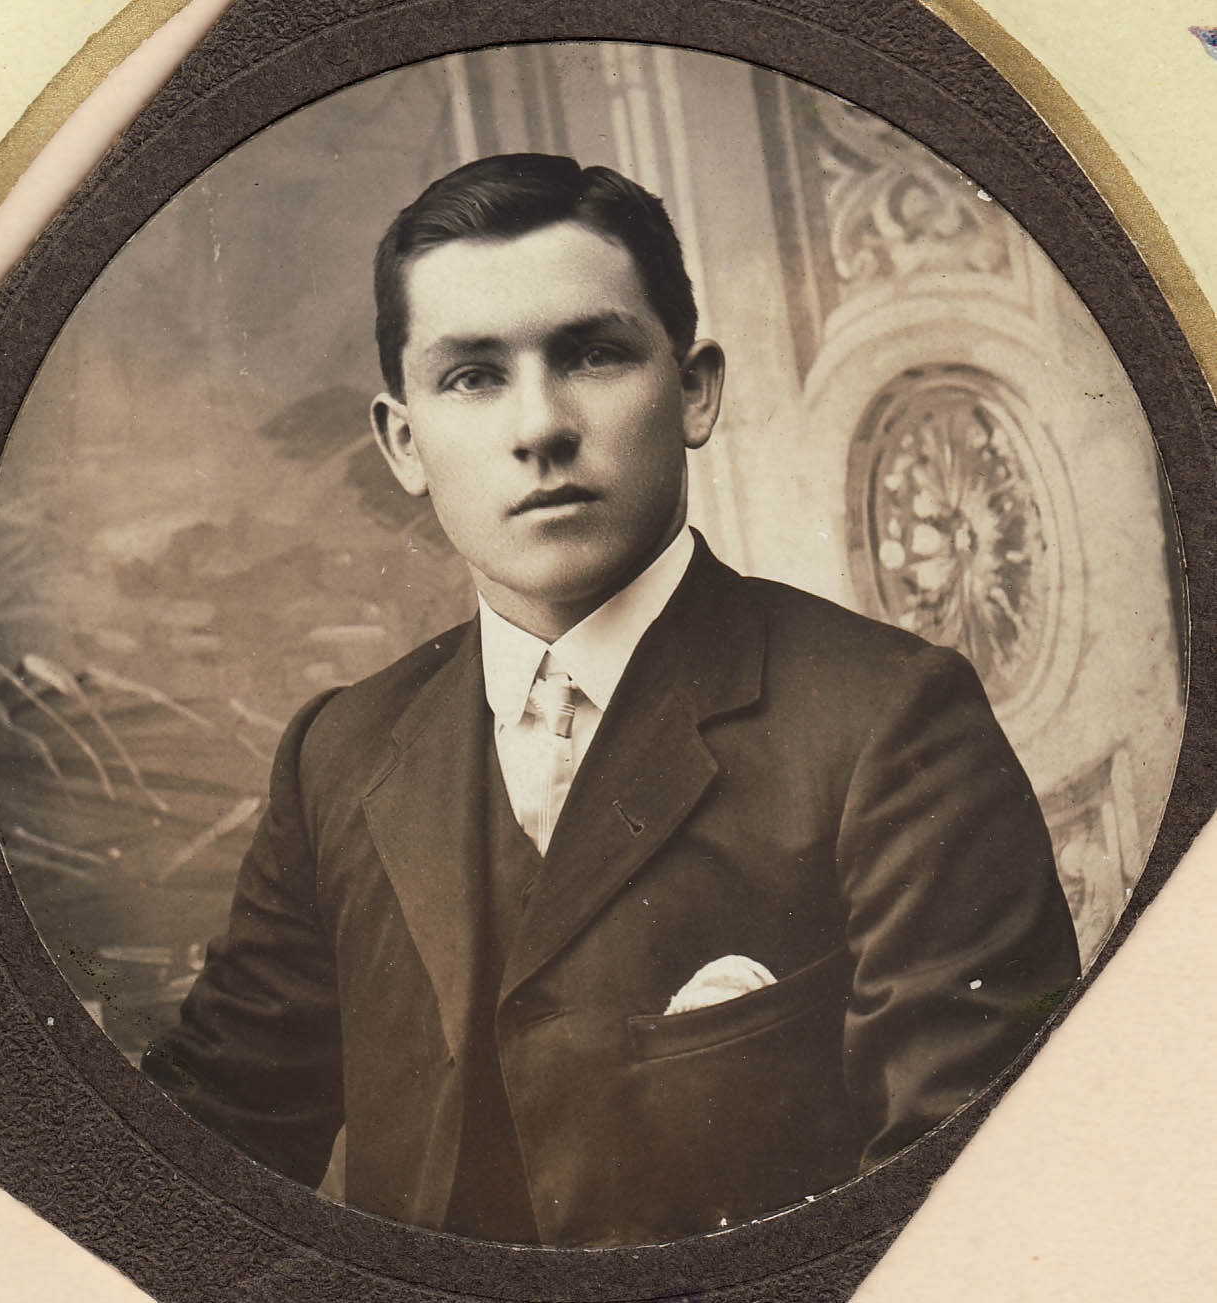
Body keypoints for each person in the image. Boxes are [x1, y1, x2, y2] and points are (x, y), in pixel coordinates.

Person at [143, 153, 1080, 1248]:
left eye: (591, 354)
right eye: (472, 376)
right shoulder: (339, 754)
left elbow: (967, 1216)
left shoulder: (889, 724)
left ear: (693, 390)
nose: (538, 425)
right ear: (403, 442)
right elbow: (193, 1158)